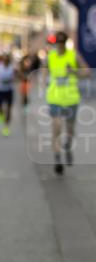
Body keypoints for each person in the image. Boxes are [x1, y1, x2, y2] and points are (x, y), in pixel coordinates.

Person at [46, 31, 91, 175]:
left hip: (71, 99)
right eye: (56, 44)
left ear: (65, 43)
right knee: (56, 128)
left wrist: (74, 72)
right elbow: (44, 73)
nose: (59, 46)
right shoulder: (50, 56)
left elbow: (87, 72)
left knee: (70, 130)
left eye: (61, 43)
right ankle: (58, 159)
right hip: (55, 99)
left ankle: (67, 147)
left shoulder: (73, 55)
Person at [0, 53, 16, 136]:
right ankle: (1, 116)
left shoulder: (12, 68)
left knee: (8, 109)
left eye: (7, 60)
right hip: (0, 90)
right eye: (4, 59)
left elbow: (15, 76)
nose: (6, 61)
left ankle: (6, 127)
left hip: (9, 90)